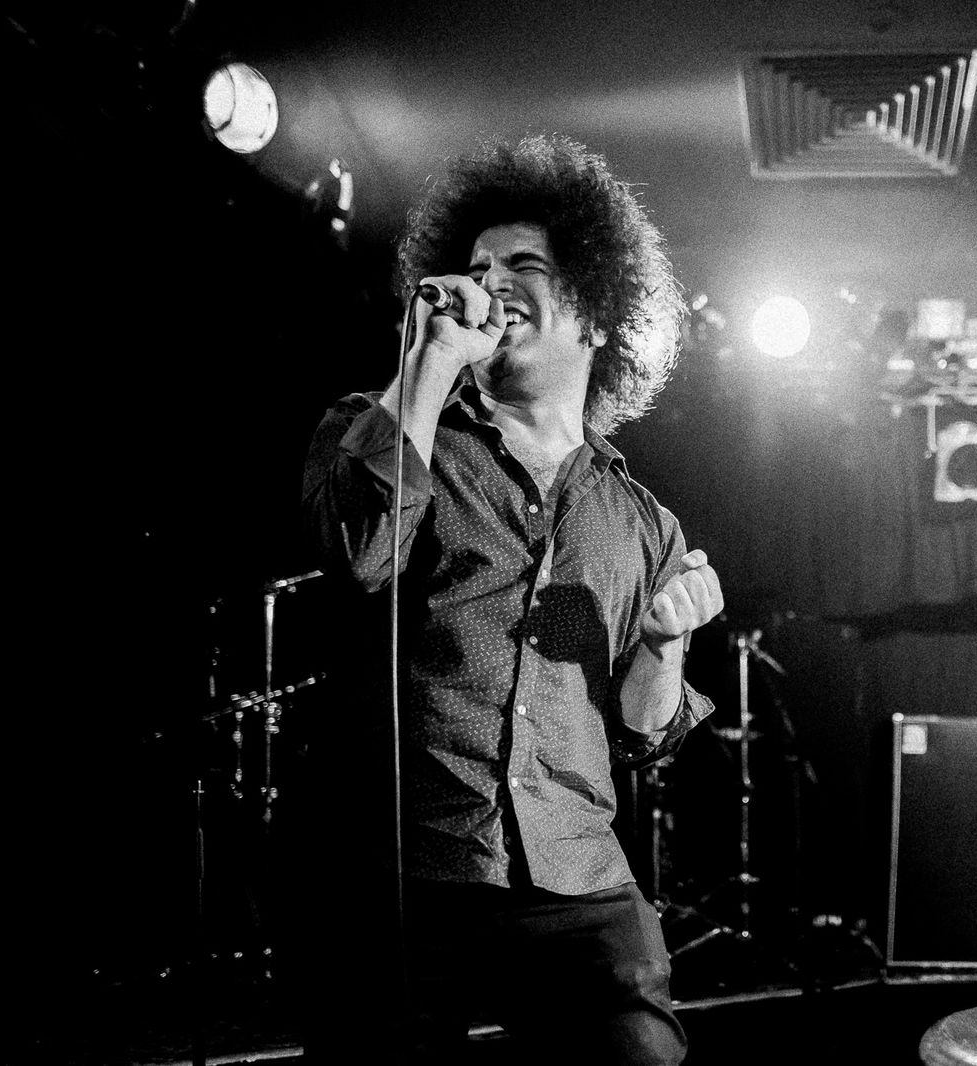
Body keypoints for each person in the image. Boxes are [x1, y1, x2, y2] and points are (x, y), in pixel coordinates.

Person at [299, 133, 721, 1065]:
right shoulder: (384, 428)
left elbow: (643, 737)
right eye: (479, 265)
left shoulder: (642, 523)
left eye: (524, 265)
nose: (489, 282)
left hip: (573, 878)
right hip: (410, 875)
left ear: (598, 315)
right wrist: (428, 362)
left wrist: (664, 647)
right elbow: (363, 550)